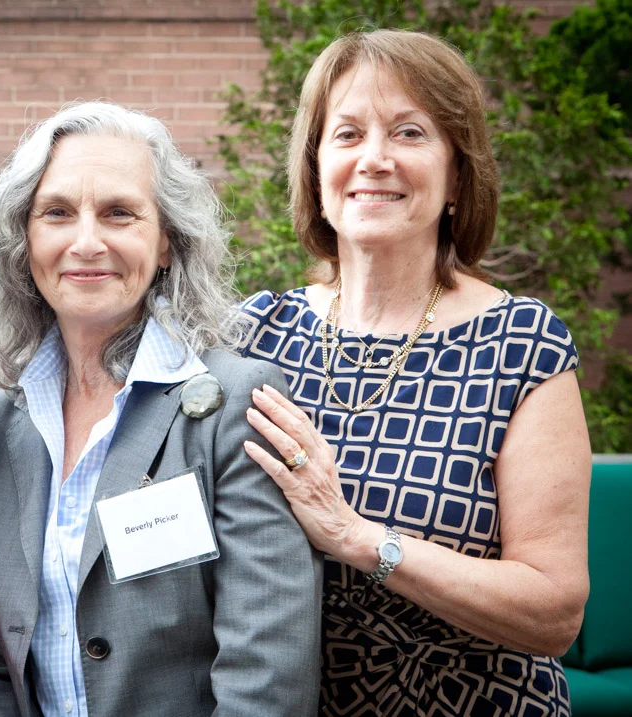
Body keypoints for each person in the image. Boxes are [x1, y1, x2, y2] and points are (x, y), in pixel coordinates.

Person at [238, 30, 590, 716]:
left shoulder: (521, 343)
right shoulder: (253, 332)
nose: (374, 159)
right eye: (346, 135)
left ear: (457, 175)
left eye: (407, 132)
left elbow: (552, 613)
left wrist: (354, 537)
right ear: (315, 171)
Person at [0, 101, 323, 717]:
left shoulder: (233, 408)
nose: (87, 241)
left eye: (120, 214)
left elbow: (267, 669)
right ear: (24, 242)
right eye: (57, 213)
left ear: (167, 245)